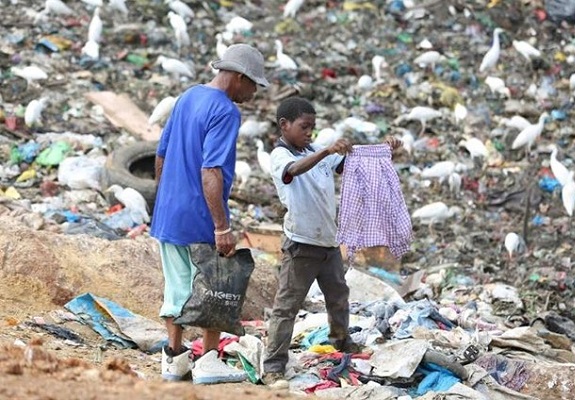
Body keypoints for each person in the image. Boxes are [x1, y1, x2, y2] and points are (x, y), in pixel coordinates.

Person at [151, 44, 269, 385]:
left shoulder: (188, 97)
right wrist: (221, 225)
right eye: (252, 85)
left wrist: (166, 199)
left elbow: (161, 154)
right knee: (214, 286)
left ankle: (174, 360)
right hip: (199, 215)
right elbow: (211, 170)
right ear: (238, 77)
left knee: (176, 287)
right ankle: (209, 360)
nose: (252, 93)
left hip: (170, 213)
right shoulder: (226, 111)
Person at [263, 97, 401, 388]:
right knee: (287, 306)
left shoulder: (315, 151)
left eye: (313, 127)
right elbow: (293, 171)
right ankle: (273, 366)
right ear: (284, 126)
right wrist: (327, 149)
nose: (310, 133)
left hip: (328, 242)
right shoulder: (280, 156)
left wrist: (385, 151)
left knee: (338, 296)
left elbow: (355, 167)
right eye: (304, 127)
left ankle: (342, 341)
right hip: (301, 244)